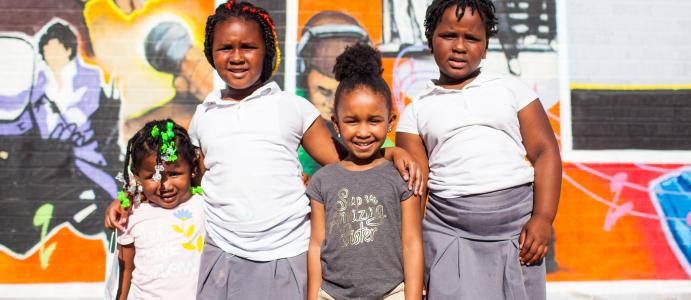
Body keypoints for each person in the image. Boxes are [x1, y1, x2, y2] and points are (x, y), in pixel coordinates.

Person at [105, 1, 422, 299]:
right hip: (223, 256)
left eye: (248, 47)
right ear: (211, 53)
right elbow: (186, 178)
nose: (237, 56)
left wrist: (391, 154)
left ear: (267, 51)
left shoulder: (291, 107)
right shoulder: (204, 115)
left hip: (288, 256)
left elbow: (344, 160)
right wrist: (129, 199)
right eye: (226, 47)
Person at [396, 0, 561, 299]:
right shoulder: (416, 111)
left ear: (485, 47)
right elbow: (415, 190)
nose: (460, 46)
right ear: (430, 39)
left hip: (518, 232)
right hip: (449, 234)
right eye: (448, 36)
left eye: (472, 38)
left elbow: (545, 152)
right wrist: (413, 266)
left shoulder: (512, 89)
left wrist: (543, 218)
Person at [306, 44, 424, 300]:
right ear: (335, 123)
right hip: (333, 295)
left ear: (391, 122)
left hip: (392, 293)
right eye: (351, 121)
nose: (363, 131)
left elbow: (412, 243)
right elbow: (316, 245)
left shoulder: (402, 177)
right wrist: (313, 296)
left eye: (374, 120)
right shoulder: (322, 181)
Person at [115, 119, 204, 299]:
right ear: (138, 176)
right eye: (153, 176)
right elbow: (125, 271)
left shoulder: (204, 205)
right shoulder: (131, 215)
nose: (165, 186)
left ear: (192, 169)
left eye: (174, 174)